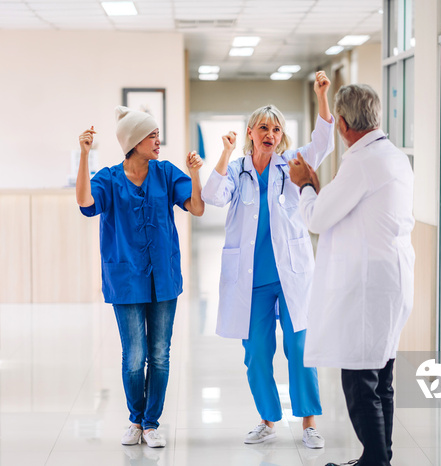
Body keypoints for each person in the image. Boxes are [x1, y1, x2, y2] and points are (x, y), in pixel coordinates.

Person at [201, 71, 335, 449]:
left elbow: (322, 144)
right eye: (263, 127)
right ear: (250, 132)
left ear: (281, 137)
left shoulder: (291, 163)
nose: (270, 134)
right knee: (256, 354)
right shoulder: (238, 170)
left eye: (276, 129)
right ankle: (268, 420)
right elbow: (212, 194)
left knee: (299, 348)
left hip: (291, 274)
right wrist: (225, 153)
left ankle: (309, 423)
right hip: (251, 280)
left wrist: (322, 95)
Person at [288, 84, 415, 466]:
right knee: (381, 376)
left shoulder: (360, 162)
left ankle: (375, 461)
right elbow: (349, 208)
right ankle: (379, 457)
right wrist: (317, 189)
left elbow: (317, 217)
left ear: (342, 123)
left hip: (369, 285)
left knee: (360, 380)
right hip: (391, 279)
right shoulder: (392, 155)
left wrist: (305, 186)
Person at [76, 106, 205, 448]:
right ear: (133, 142)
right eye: (152, 136)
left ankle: (151, 423)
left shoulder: (165, 173)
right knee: (134, 356)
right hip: (126, 280)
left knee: (159, 353)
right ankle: (135, 419)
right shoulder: (109, 178)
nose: (158, 141)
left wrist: (194, 174)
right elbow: (85, 201)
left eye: (158, 135)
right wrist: (84, 156)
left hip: (164, 278)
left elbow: (197, 207)